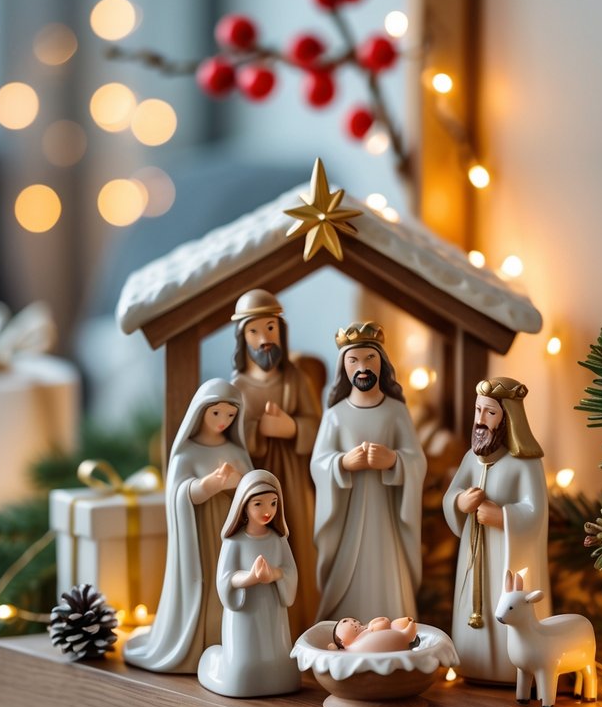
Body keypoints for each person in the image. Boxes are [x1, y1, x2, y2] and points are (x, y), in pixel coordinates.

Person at [124, 379, 251, 673]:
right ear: (201, 412)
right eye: (215, 413)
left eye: (230, 415)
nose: (223, 421)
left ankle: (225, 642)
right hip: (199, 535)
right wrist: (207, 485)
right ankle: (196, 643)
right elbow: (178, 493)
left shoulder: (235, 450)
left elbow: (252, 488)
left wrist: (237, 484)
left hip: (229, 532)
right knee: (204, 584)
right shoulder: (187, 453)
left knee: (227, 582)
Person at [311, 322, 426, 623]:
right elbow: (318, 462)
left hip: (386, 511)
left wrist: (394, 460)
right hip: (348, 512)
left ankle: (394, 623)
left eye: (369, 358)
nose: (362, 368)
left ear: (381, 362)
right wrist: (342, 463)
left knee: (388, 569)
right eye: (354, 360)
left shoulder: (396, 411)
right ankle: (345, 625)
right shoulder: (335, 415)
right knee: (346, 570)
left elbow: (417, 460)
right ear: (344, 367)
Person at [443, 376, 550, 685]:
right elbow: (451, 495)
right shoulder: (471, 458)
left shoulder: (526, 463)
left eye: (490, 412)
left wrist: (502, 516)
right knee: (471, 606)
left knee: (506, 603)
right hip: (474, 553)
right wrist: (460, 501)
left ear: (508, 418)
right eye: (478, 410)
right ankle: (471, 662)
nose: (480, 419)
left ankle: (511, 665)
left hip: (508, 555)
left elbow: (536, 512)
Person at [230, 289, 321, 637]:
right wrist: (257, 431)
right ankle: (266, 632)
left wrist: (292, 427)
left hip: (294, 480)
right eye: (254, 331)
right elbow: (231, 438)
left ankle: (303, 623)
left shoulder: (295, 379)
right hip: (255, 482)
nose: (264, 339)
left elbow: (319, 426)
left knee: (298, 544)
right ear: (243, 338)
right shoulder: (237, 387)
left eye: (270, 328)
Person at [197, 469, 301, 698]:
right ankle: (237, 671)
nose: (267, 511)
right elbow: (225, 578)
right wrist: (250, 578)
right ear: (244, 505)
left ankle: (275, 673)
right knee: (245, 663)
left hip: (272, 609)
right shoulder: (234, 542)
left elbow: (290, 571)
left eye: (273, 503)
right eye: (258, 504)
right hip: (245, 611)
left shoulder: (278, 540)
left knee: (277, 655)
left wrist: (273, 574)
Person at [330, 615, 418, 653]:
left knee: (395, 624)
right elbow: (334, 651)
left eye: (354, 620)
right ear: (342, 642)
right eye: (345, 622)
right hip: (399, 640)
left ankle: (407, 631)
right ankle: (407, 635)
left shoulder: (365, 631)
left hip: (395, 638)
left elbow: (384, 622)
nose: (352, 622)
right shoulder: (352, 647)